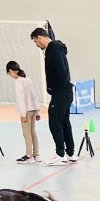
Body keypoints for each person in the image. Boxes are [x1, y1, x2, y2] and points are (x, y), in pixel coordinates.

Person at [30, 26, 75, 163]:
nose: (37, 45)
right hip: (65, 91)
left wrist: (52, 86)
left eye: (36, 42)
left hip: (60, 91)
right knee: (64, 122)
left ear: (40, 38)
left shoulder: (53, 49)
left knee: (55, 123)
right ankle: (71, 154)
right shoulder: (57, 48)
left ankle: (61, 155)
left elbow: (59, 70)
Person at [6, 60, 42, 162]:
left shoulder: (18, 82)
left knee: (27, 133)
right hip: (33, 110)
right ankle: (36, 155)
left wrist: (22, 114)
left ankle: (28, 155)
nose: (10, 76)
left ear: (11, 71)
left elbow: (21, 99)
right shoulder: (28, 80)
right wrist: (38, 111)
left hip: (26, 111)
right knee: (33, 132)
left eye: (9, 74)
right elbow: (35, 96)